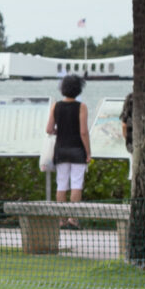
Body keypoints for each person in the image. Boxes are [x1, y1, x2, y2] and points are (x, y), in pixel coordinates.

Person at [44, 74, 91, 218]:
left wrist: (61, 130)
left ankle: (61, 219)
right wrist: (88, 152)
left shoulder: (56, 106)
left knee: (61, 184)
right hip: (77, 149)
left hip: (61, 149)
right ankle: (73, 218)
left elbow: (49, 129)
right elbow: (83, 132)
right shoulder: (81, 107)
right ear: (79, 89)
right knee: (77, 183)